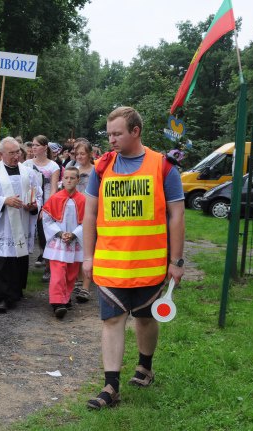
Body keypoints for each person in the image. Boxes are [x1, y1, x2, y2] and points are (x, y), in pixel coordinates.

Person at [82, 106, 185, 410]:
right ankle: (110, 386)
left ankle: (145, 366)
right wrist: (87, 257)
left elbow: (176, 216)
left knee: (144, 319)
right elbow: (89, 213)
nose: (111, 139)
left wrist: (176, 262)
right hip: (111, 264)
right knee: (112, 320)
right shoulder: (101, 168)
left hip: (150, 266)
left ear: (135, 131)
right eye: (109, 133)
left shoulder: (163, 167)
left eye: (117, 133)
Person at [0, 137, 42, 313]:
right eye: (12, 153)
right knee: (1, 259)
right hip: (2, 225)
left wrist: (33, 204)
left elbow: (38, 193)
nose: (16, 156)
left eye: (18, 152)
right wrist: (5, 200)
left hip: (21, 222)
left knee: (16, 259)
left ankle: (14, 293)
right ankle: (0, 296)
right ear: (1, 154)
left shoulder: (28, 172)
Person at [42, 166, 85, 319]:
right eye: (66, 177)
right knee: (58, 273)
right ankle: (57, 302)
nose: (68, 180)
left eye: (72, 178)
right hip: (58, 243)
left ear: (78, 180)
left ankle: (65, 298)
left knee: (71, 273)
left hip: (74, 241)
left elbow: (87, 221)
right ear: (62, 179)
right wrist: (60, 233)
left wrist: (74, 234)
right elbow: (47, 219)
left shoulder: (83, 199)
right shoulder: (55, 198)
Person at [24, 136, 60, 281]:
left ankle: (48, 267)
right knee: (26, 234)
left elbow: (53, 189)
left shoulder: (53, 166)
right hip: (29, 203)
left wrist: (46, 208)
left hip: (46, 204)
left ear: (45, 147)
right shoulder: (26, 164)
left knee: (46, 237)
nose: (34, 147)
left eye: (37, 145)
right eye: (32, 145)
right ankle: (22, 265)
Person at [67, 138, 95, 303]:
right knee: (76, 246)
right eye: (77, 153)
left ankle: (86, 286)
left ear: (90, 154)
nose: (79, 156)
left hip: (90, 213)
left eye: (82, 153)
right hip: (74, 212)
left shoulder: (96, 171)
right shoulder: (73, 170)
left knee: (88, 248)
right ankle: (77, 280)